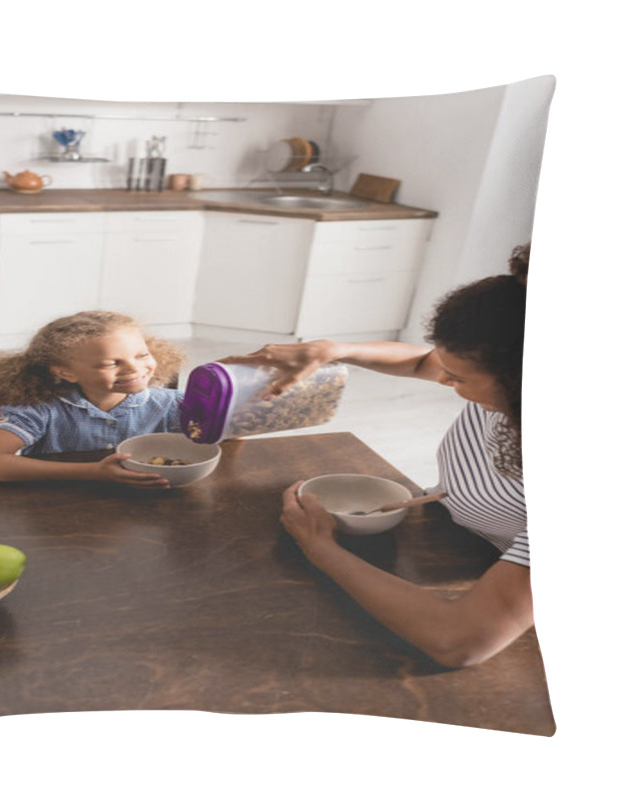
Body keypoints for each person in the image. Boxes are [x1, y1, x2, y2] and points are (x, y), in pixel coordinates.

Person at [221, 243, 533, 668]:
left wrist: (320, 548)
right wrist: (332, 350)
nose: (442, 379)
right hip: (454, 531)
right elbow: (424, 360)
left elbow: (459, 641)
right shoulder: (511, 360)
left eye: (457, 378)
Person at [0, 310, 185, 487]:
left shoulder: (173, 405)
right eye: (111, 363)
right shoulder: (42, 411)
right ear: (65, 373)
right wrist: (93, 472)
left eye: (142, 355)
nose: (135, 369)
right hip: (57, 512)